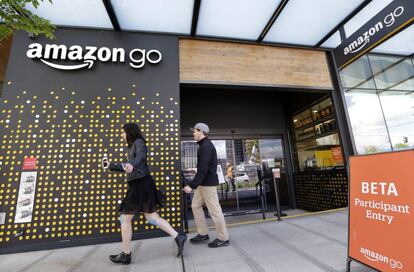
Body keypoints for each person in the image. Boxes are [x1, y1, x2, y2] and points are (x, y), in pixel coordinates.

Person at [104, 123, 187, 265]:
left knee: (125, 219)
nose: (122, 136)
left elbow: (140, 158)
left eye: (123, 133)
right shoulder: (131, 147)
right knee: (152, 218)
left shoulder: (138, 142)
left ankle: (126, 255)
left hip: (140, 184)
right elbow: (130, 167)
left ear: (130, 132)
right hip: (142, 184)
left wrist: (132, 164)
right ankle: (178, 236)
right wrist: (111, 166)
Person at [183, 123, 229, 248]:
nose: (193, 133)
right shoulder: (203, 146)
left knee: (214, 211)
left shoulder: (206, 147)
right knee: (195, 205)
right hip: (203, 183)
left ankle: (223, 238)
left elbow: (203, 169)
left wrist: (191, 185)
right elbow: (202, 169)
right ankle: (203, 233)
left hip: (208, 184)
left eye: (194, 131)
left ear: (200, 131)